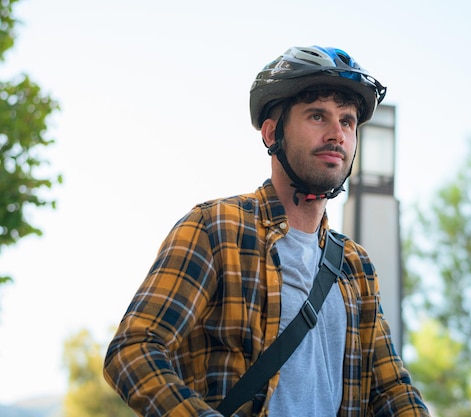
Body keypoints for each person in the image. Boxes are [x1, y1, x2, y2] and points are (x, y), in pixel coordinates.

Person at [103, 45, 430, 417]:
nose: (337, 134)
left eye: (347, 121)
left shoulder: (356, 266)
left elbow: (391, 390)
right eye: (317, 116)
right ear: (272, 133)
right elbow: (134, 349)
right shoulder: (215, 227)